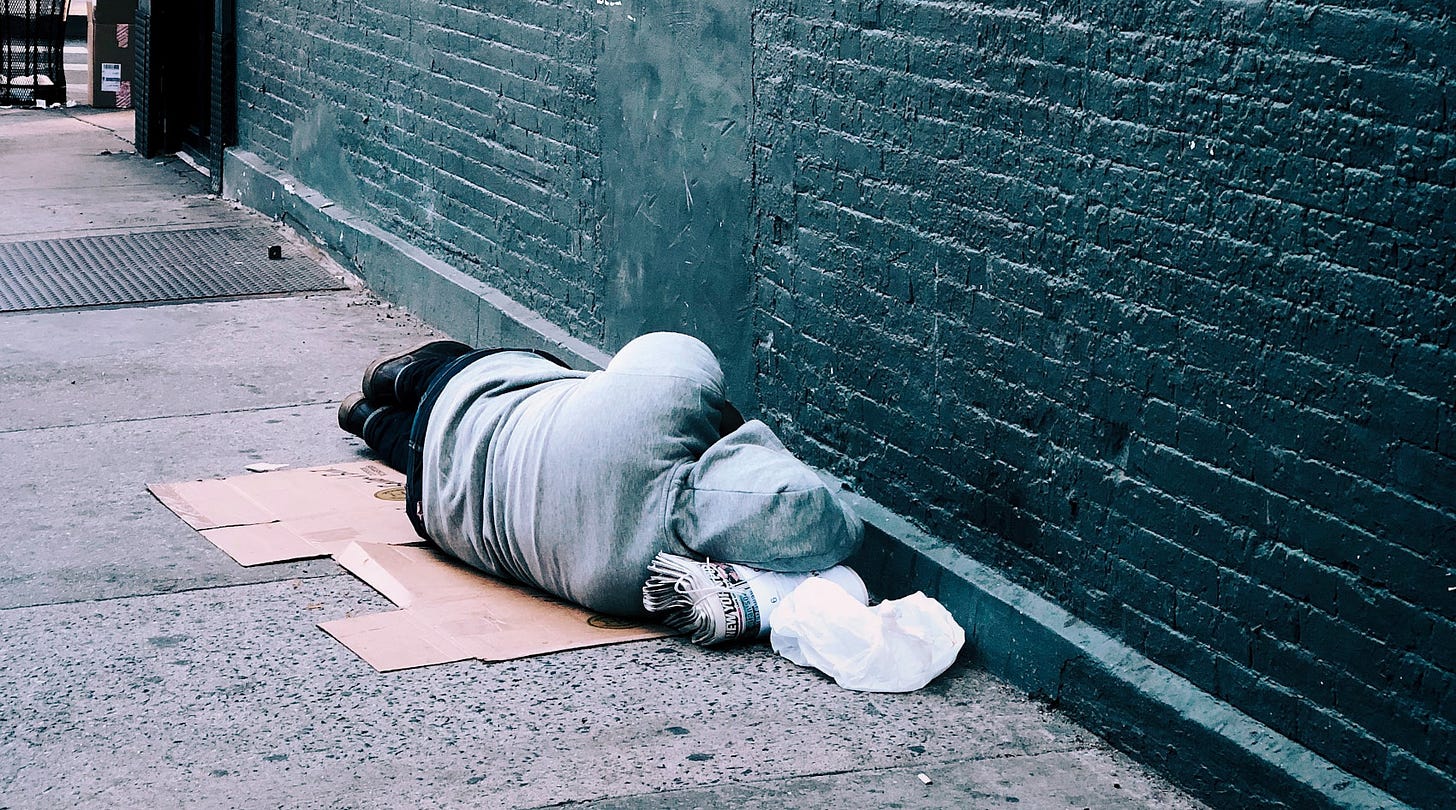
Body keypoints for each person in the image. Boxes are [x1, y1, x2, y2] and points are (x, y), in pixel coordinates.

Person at [337, 332, 863, 619]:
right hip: (437, 508)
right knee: (437, 459)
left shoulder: (663, 397)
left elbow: (671, 349)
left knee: (477, 378)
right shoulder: (637, 584)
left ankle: (393, 377)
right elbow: (827, 524)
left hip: (477, 392)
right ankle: (368, 420)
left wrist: (729, 425)